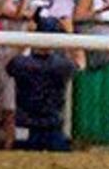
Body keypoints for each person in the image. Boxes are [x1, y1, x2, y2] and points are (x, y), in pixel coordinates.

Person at [5, 17, 80, 152]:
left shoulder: (22, 63)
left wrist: (26, 36)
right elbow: (80, 62)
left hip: (26, 129)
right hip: (52, 129)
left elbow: (9, 62)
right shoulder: (61, 65)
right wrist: (70, 35)